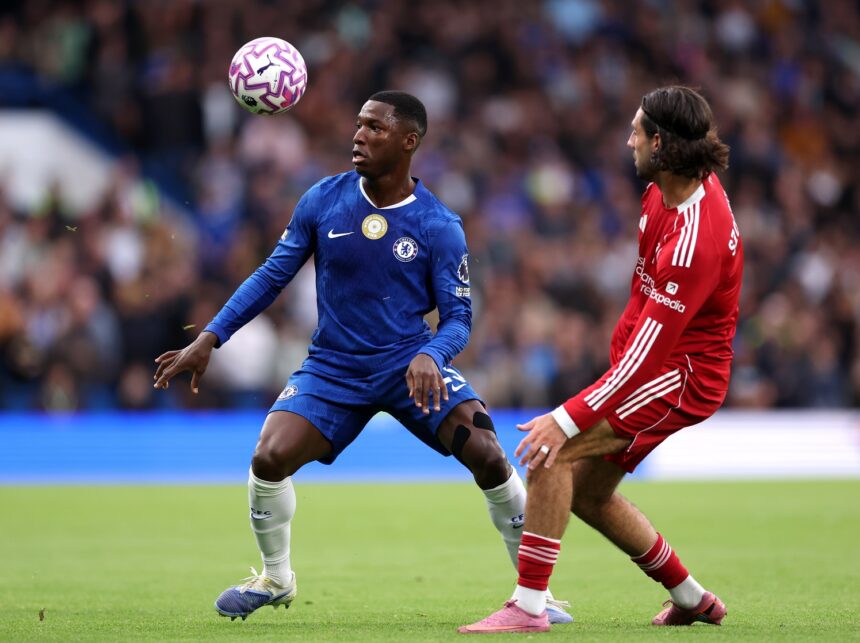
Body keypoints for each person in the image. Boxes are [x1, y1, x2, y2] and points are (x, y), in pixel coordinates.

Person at [153, 91, 571, 624]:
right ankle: (276, 577)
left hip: (408, 365)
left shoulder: (440, 225)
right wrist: (209, 338)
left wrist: (430, 352)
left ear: (409, 141)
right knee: (268, 458)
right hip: (334, 367)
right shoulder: (323, 200)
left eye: (375, 128)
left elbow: (460, 319)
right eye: (358, 125)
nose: (359, 135)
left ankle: (534, 597)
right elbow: (271, 275)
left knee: (489, 454)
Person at [459, 86, 742, 634]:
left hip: (678, 377)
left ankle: (529, 607)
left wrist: (564, 418)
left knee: (552, 453)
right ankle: (692, 597)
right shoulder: (667, 188)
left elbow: (649, 358)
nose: (627, 139)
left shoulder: (694, 239)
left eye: (637, 131)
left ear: (662, 144)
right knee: (588, 494)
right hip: (654, 366)